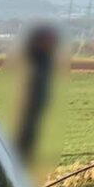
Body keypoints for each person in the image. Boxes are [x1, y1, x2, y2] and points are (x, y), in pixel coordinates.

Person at [13, 24, 61, 168]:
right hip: (30, 103)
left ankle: (23, 157)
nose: (51, 44)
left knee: (31, 134)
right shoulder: (35, 58)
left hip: (37, 103)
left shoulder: (45, 58)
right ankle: (19, 158)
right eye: (48, 40)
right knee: (25, 133)